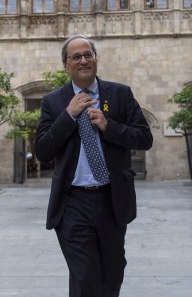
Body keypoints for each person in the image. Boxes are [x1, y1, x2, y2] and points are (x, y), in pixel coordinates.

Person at [35, 34, 153, 297]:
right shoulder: (53, 102)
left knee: (112, 272)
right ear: (66, 65)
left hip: (111, 199)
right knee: (85, 275)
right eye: (76, 56)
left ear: (96, 59)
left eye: (88, 54)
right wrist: (68, 115)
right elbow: (43, 150)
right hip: (72, 202)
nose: (83, 60)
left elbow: (145, 138)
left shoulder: (120, 94)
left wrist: (108, 127)